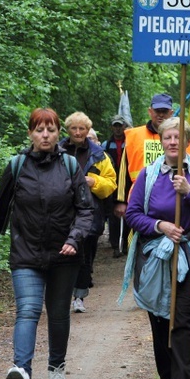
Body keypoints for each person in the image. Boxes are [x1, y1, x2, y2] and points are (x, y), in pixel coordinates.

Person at [0, 108, 94, 379]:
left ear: (59, 134)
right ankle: (22, 372)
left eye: (51, 130)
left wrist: (74, 239)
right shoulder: (16, 166)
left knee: (57, 315)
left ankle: (56, 370)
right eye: (40, 130)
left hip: (64, 256)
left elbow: (86, 210)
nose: (45, 135)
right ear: (30, 133)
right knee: (27, 311)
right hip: (26, 254)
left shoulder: (70, 166)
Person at [118, 117, 190, 379]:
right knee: (160, 315)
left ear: (187, 140)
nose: (173, 142)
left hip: (189, 252)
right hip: (155, 254)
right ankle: (166, 374)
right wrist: (160, 226)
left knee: (185, 317)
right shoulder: (149, 175)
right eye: (168, 138)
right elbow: (133, 214)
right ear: (161, 142)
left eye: (178, 137)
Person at [60, 112, 117, 313]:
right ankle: (60, 295)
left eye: (81, 128)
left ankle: (79, 296)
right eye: (74, 128)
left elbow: (111, 183)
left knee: (83, 256)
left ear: (87, 130)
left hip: (90, 211)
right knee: (61, 254)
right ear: (68, 130)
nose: (77, 132)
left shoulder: (99, 155)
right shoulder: (57, 150)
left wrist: (94, 182)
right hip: (60, 211)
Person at [114, 93, 190, 218]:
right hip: (138, 196)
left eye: (165, 111)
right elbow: (123, 170)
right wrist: (121, 200)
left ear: (171, 112)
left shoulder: (184, 139)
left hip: (174, 197)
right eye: (157, 111)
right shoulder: (134, 136)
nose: (161, 114)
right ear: (150, 111)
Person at [102, 114, 130, 257]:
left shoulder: (130, 142)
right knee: (113, 214)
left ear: (124, 126)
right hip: (112, 181)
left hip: (128, 181)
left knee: (128, 212)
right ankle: (115, 245)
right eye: (115, 126)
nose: (118, 129)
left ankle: (126, 243)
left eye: (120, 125)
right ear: (112, 127)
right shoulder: (106, 145)